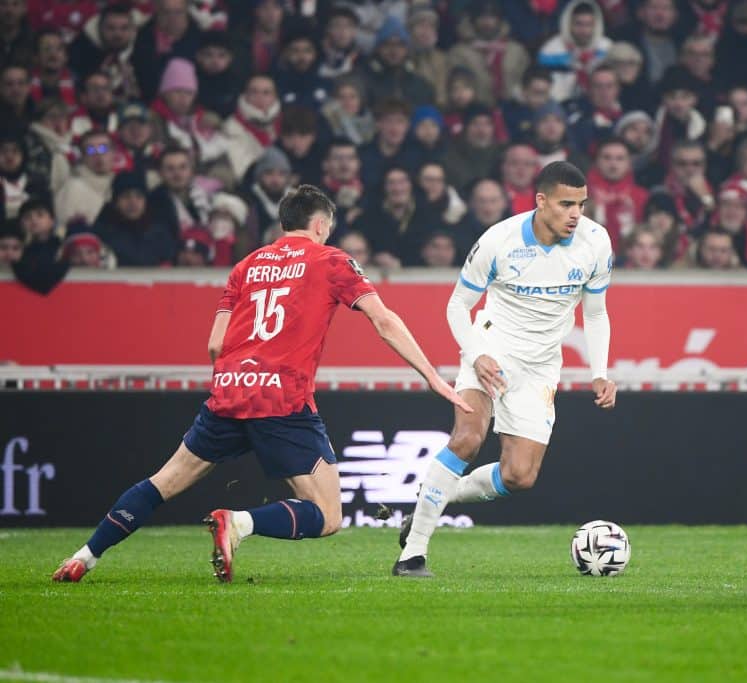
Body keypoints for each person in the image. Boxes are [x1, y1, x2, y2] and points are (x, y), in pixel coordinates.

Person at [52, 184, 471, 584]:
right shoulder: (330, 260)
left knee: (163, 482)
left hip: (228, 392)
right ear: (320, 225)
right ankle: (238, 522)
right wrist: (431, 375)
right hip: (281, 398)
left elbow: (215, 345)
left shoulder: (246, 265)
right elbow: (384, 320)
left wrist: (240, 378)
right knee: (327, 515)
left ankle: (83, 557)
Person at [392, 161, 616, 578]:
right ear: (541, 201)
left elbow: (596, 313)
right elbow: (457, 306)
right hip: (491, 350)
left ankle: (435, 497)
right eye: (566, 204)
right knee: (467, 439)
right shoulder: (499, 240)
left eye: (582, 205)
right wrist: (477, 354)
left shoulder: (596, 242)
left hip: (540, 367)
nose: (576, 214)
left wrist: (599, 373)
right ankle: (413, 554)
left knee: (519, 475)